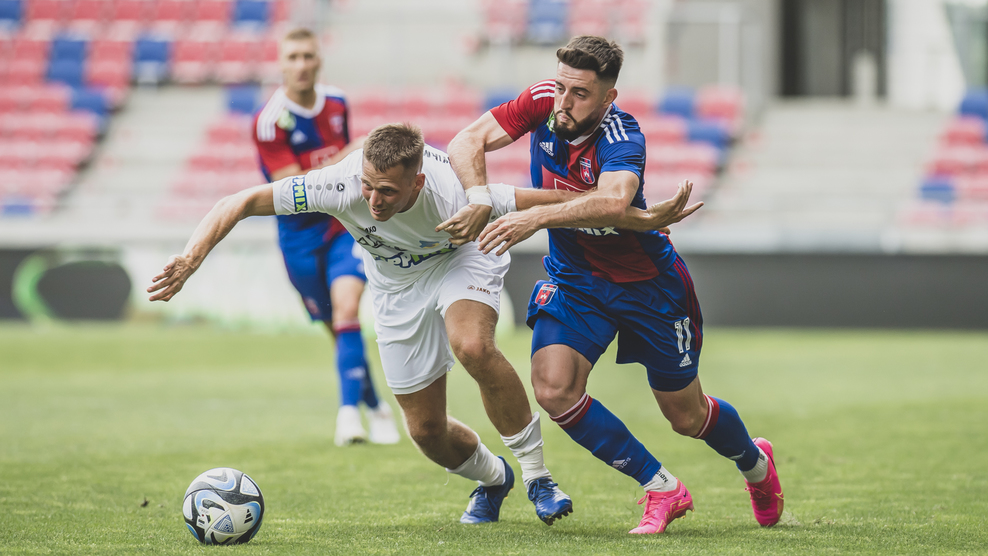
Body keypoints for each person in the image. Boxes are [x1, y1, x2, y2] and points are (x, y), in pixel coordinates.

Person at [444, 35, 784, 534]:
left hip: (649, 286)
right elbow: (466, 140)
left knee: (686, 417)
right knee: (554, 390)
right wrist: (479, 196)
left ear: (608, 97)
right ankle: (662, 488)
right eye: (561, 87)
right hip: (576, 281)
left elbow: (611, 201)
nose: (563, 102)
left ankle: (755, 464)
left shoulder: (622, 135)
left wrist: (533, 216)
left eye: (580, 93)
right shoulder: (543, 101)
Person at [252, 27, 397, 446]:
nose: (301, 65)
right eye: (293, 57)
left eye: (308, 56)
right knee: (337, 328)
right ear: (281, 64)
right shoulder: (269, 123)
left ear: (319, 60)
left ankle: (348, 416)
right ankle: (377, 407)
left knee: (347, 308)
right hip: (298, 238)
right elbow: (291, 188)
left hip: (341, 226)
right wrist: (347, 154)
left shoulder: (336, 103)